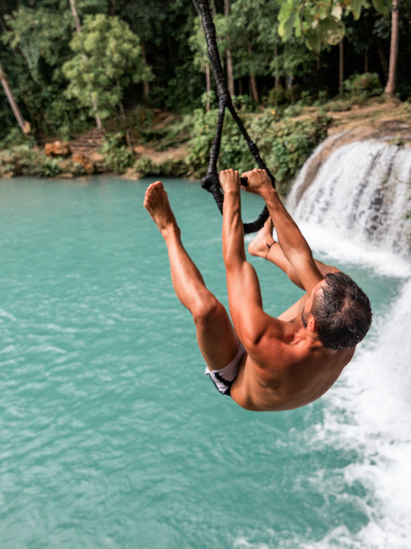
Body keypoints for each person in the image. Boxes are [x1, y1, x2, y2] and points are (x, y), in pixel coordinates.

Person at [143, 169, 371, 411]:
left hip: (240, 377)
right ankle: (265, 246)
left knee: (206, 310)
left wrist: (230, 193)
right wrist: (268, 192)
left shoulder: (266, 342)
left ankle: (168, 230)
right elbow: (301, 256)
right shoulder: (350, 326)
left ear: (311, 323)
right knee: (334, 277)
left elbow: (235, 263)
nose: (312, 285)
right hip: (285, 358)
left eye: (312, 292)